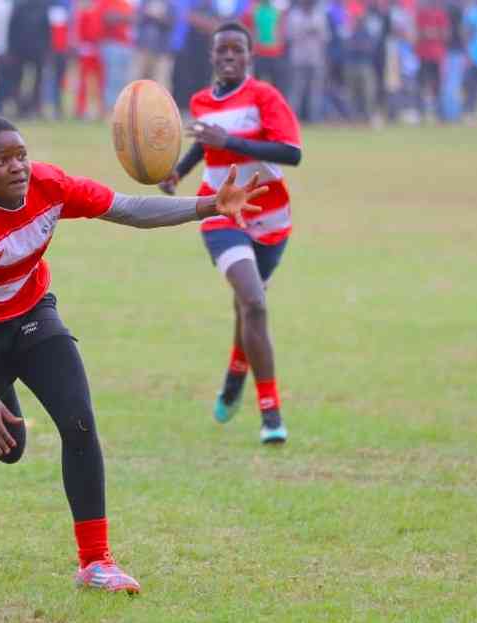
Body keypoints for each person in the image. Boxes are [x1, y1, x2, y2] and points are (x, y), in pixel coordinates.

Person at [0, 116, 267, 593]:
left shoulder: (50, 184)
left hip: (30, 315)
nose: (18, 166)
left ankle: (95, 562)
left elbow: (127, 208)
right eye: (1, 161)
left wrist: (208, 205)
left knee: (79, 421)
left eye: (20, 154)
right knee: (11, 449)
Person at [159, 22, 302, 445]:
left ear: (249, 57)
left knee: (247, 308)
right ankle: (271, 412)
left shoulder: (264, 97)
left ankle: (236, 371)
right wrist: (179, 173)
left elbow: (291, 152)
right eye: (221, 50)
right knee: (254, 303)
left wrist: (232, 139)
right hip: (220, 211)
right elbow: (206, 144)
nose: (228, 57)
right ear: (212, 56)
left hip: (271, 218)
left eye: (236, 50)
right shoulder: (201, 101)